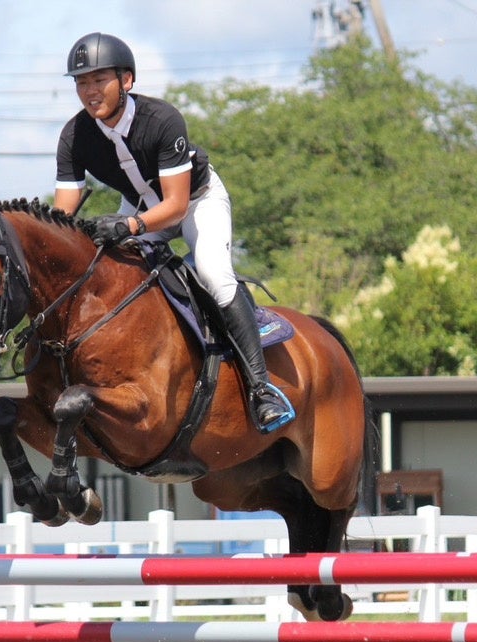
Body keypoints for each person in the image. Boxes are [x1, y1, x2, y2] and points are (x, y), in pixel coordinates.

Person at [53, 31, 295, 434]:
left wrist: (129, 225)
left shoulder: (162, 120)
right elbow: (62, 212)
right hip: (141, 205)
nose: (89, 91)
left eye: (99, 80)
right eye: (81, 82)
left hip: (196, 201)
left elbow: (176, 206)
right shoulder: (74, 135)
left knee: (214, 274)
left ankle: (261, 388)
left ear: (126, 81)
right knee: (110, 272)